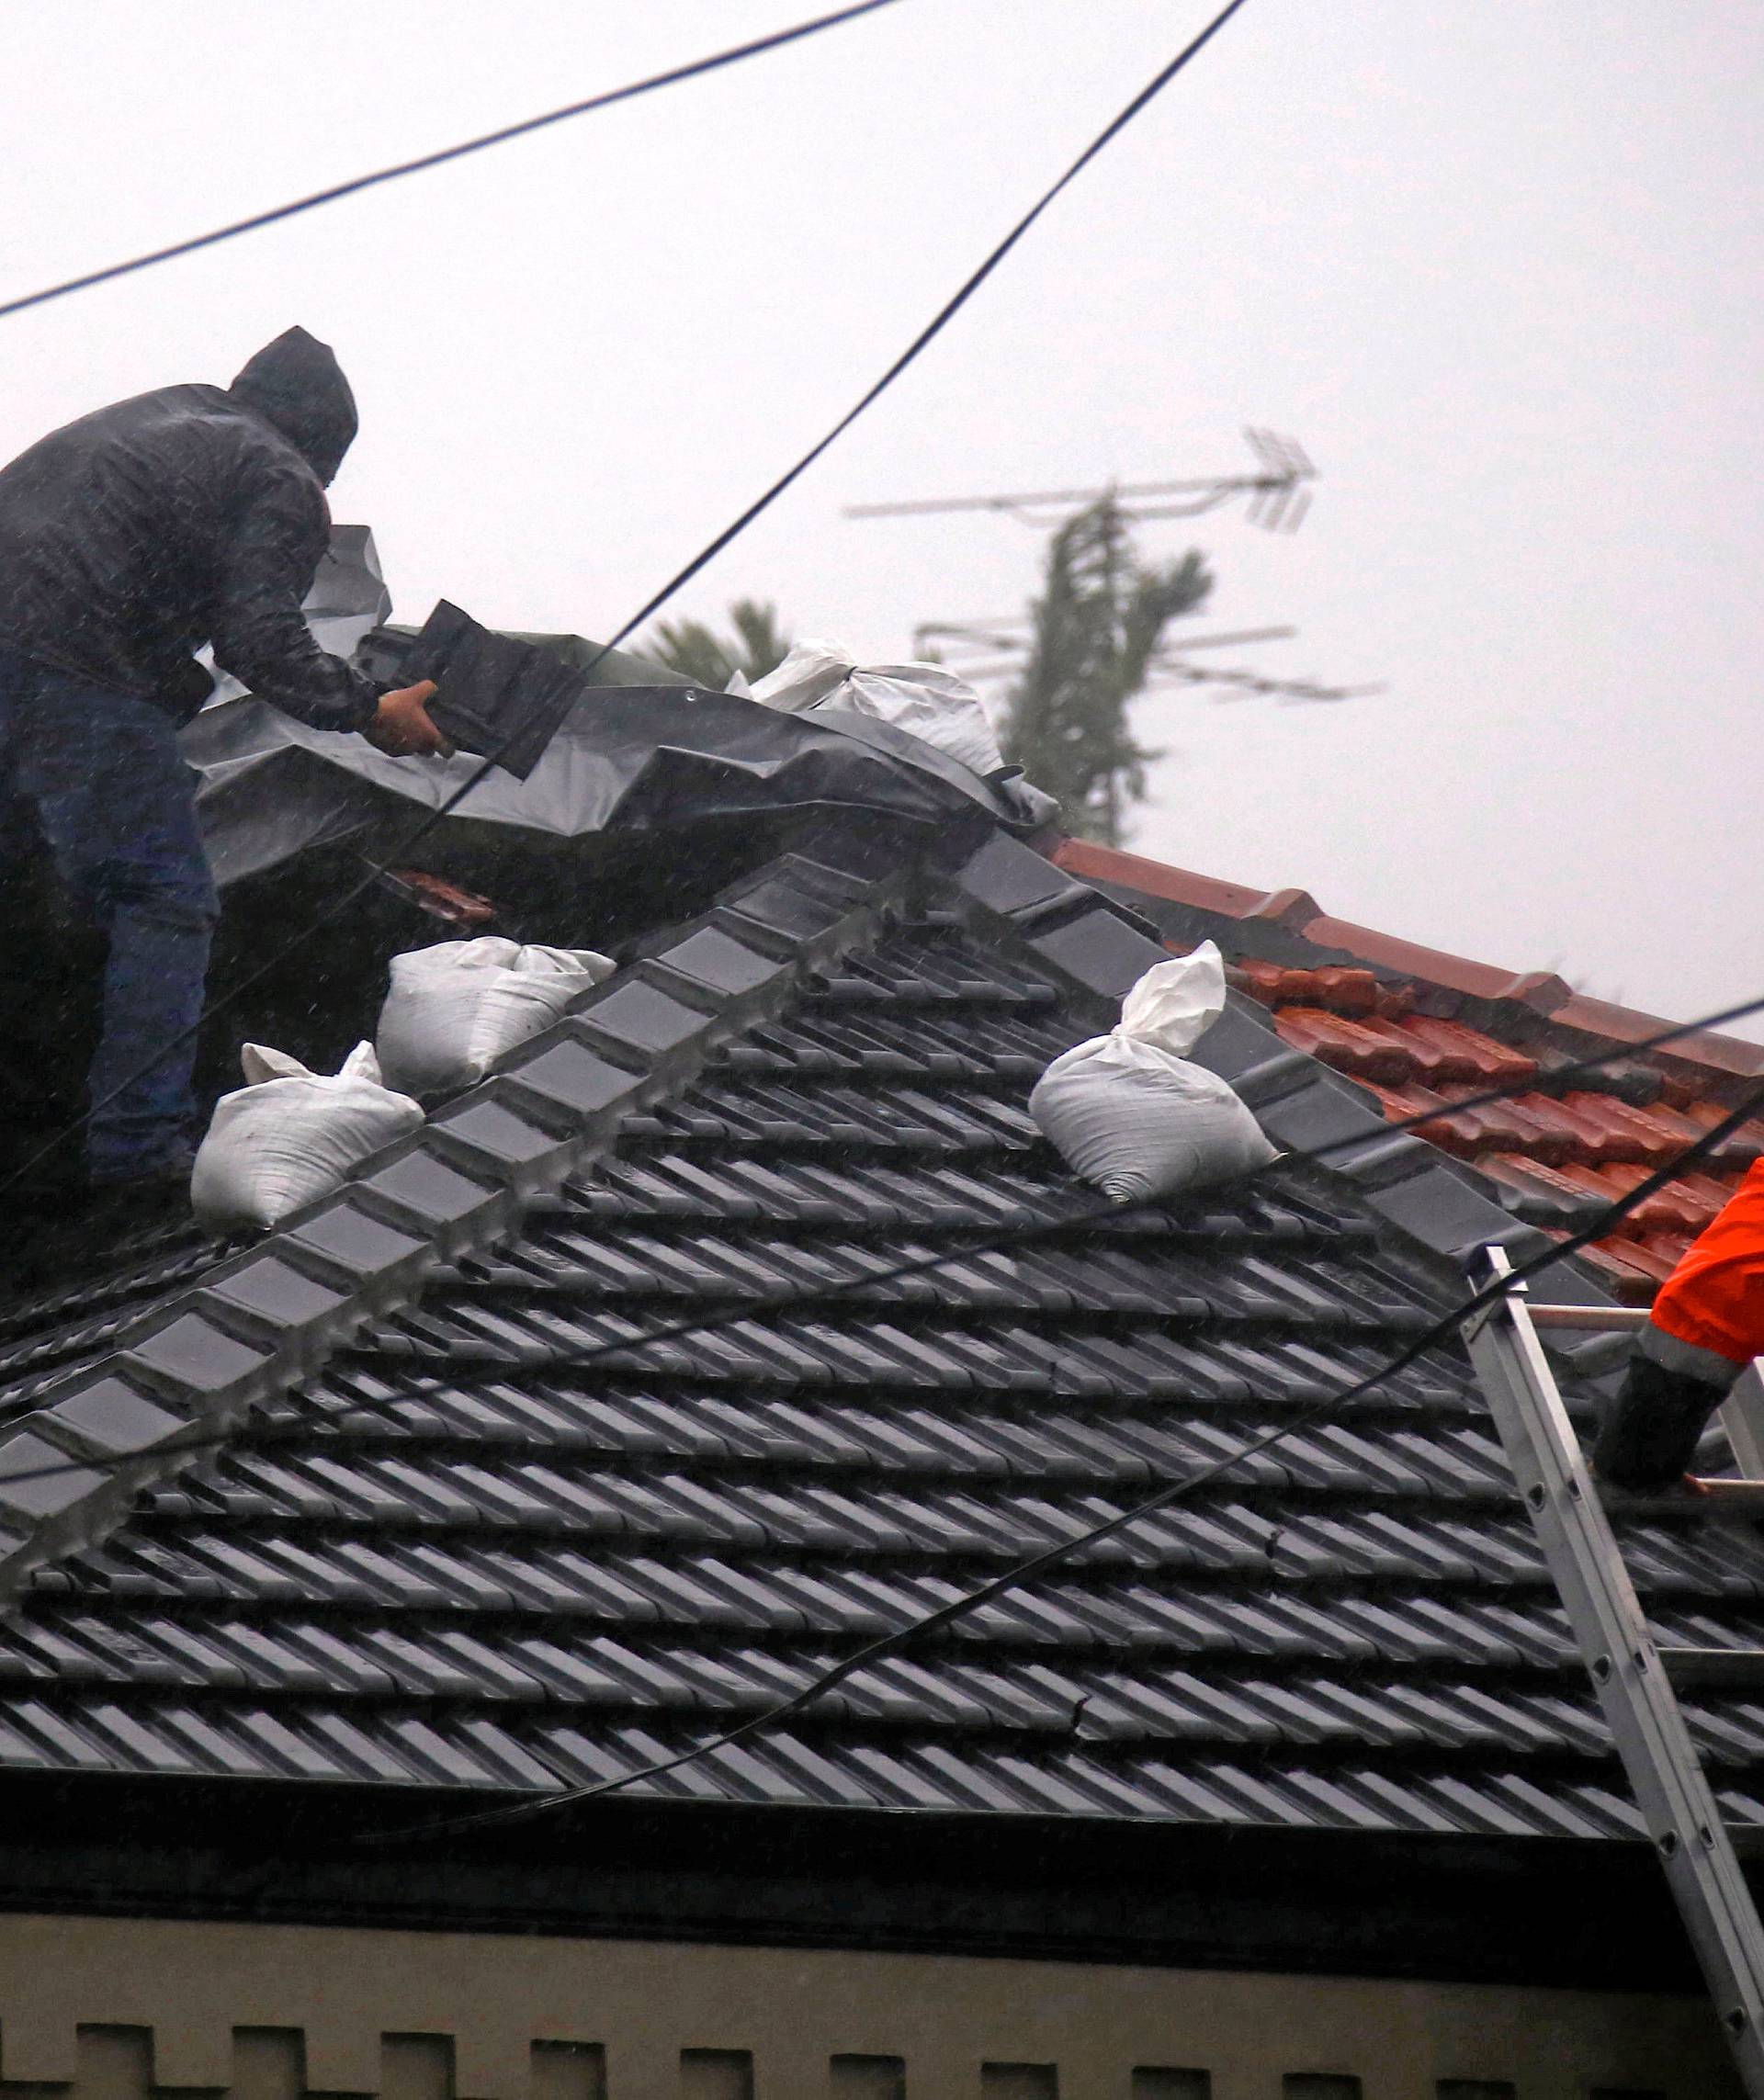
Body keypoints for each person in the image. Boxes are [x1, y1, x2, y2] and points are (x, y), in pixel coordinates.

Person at [0, 326, 447, 1233]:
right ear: (324, 452)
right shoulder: (279, 471)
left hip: (31, 653)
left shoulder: (159, 418)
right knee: (164, 900)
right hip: (66, 668)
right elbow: (261, 640)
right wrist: (371, 709)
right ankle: (134, 1151)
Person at [1594, 1157, 1764, 1490]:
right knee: (1627, 1475)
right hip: (1706, 1317)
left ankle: (1639, 1468)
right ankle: (1639, 1468)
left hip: (1701, 1313)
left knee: (1628, 1472)